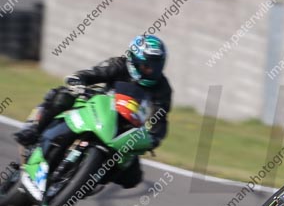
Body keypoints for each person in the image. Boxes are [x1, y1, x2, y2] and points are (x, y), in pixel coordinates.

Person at [13, 35, 172, 189]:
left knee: (132, 177)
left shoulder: (163, 88)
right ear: (133, 60)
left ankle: (90, 181)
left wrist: (154, 137)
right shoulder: (118, 64)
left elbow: (160, 117)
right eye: (147, 65)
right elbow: (93, 74)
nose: (151, 71)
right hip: (100, 107)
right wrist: (78, 81)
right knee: (62, 96)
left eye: (156, 66)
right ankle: (33, 128)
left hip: (126, 127)